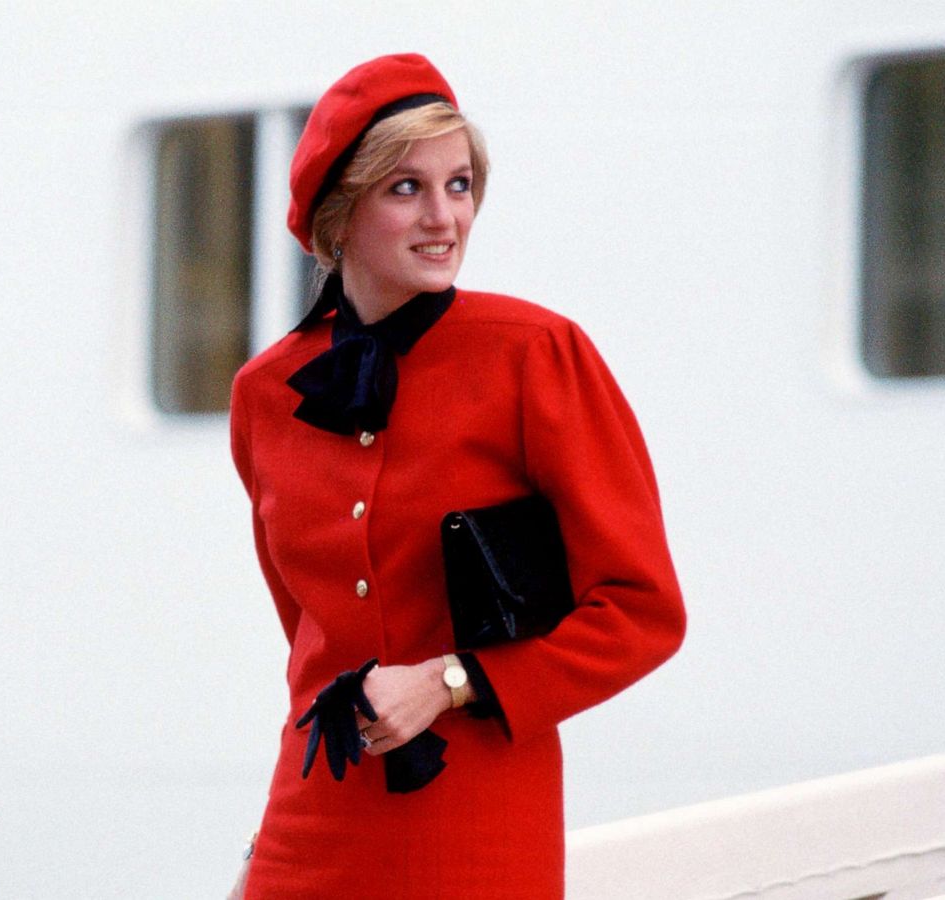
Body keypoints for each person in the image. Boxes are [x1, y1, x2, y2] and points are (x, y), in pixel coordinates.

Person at [228, 53, 686, 898]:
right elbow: (310, 640)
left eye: (460, 185)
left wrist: (453, 682)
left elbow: (643, 610)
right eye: (406, 188)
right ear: (339, 216)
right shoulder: (265, 394)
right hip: (314, 820)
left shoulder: (538, 356)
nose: (444, 218)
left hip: (477, 826)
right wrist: (264, 850)